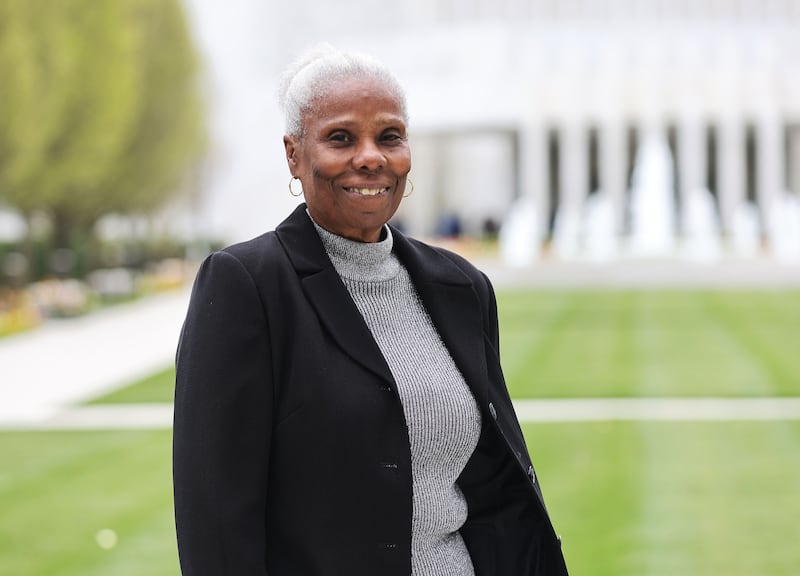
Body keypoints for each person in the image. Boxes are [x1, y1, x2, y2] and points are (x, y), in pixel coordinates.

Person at [173, 44, 568, 576]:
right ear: (294, 154)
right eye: (340, 138)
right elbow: (216, 521)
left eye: (389, 137)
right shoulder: (247, 286)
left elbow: (495, 488)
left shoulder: (462, 287)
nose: (370, 157)